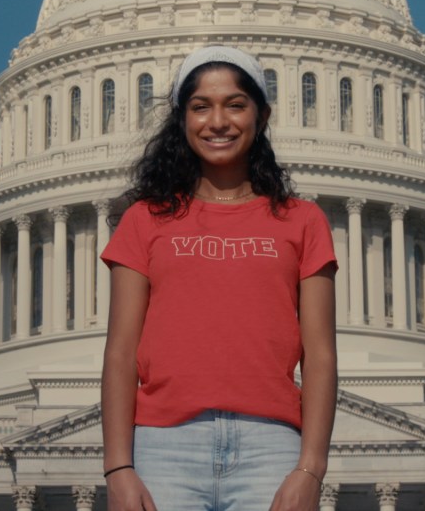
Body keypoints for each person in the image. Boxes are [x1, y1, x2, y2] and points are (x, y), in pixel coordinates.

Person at [100, 46, 338, 511]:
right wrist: (118, 467)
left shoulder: (302, 221)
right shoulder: (144, 220)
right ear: (182, 119)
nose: (218, 122)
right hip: (165, 445)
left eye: (235, 104)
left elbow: (321, 354)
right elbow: (120, 352)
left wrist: (311, 467)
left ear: (261, 115)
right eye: (200, 107)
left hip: (269, 447)